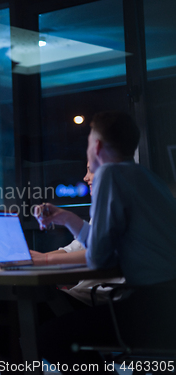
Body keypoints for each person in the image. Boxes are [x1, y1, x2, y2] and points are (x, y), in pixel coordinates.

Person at [34, 111, 176, 373]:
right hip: (166, 302)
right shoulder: (148, 178)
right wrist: (69, 219)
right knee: (58, 324)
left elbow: (100, 257)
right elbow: (105, 243)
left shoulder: (108, 175)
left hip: (151, 309)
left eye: (89, 141)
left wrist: (44, 258)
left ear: (96, 147)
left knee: (49, 336)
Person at [30, 163, 124, 306]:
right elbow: (78, 247)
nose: (86, 177)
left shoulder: (123, 208)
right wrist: (38, 257)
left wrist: (45, 260)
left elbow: (101, 253)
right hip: (87, 295)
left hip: (105, 301)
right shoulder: (104, 206)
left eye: (91, 170)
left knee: (36, 303)